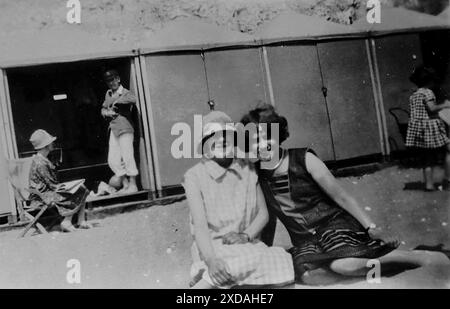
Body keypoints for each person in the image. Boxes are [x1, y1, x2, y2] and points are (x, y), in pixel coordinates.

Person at [240, 104, 450, 285]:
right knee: (309, 276)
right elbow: (270, 216)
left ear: (278, 135)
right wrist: (264, 249)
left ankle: (410, 257)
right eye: (255, 141)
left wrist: (371, 227)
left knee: (344, 265)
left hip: (332, 225)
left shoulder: (303, 159)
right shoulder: (259, 175)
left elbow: (341, 197)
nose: (262, 145)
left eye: (267, 137)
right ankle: (377, 267)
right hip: (305, 238)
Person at [183, 111, 294, 289]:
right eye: (212, 137)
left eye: (226, 136)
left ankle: (216, 282)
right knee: (234, 265)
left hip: (245, 244)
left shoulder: (248, 169)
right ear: (204, 145)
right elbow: (200, 228)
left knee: (280, 258)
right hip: (212, 248)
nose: (220, 141)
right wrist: (211, 261)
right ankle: (206, 283)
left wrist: (245, 235)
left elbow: (263, 214)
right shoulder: (195, 176)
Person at [28, 129, 91, 232]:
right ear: (45, 146)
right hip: (42, 197)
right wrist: (70, 187)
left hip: (46, 192)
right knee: (77, 190)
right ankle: (66, 222)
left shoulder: (43, 159)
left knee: (81, 188)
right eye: (50, 142)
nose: (52, 143)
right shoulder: (40, 163)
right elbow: (53, 185)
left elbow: (52, 183)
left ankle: (81, 220)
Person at [405, 66, 450, 191]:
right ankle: (448, 179)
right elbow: (432, 108)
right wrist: (445, 105)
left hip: (419, 129)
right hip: (430, 128)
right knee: (448, 148)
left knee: (427, 160)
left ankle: (429, 185)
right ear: (429, 81)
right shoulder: (428, 92)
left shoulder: (414, 95)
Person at [101, 69, 139, 194]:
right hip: (113, 129)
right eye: (108, 81)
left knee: (127, 156)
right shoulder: (108, 93)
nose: (111, 83)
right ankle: (125, 184)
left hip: (125, 127)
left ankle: (133, 185)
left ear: (118, 79)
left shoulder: (125, 92)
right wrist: (106, 112)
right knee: (112, 159)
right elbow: (103, 107)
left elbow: (133, 99)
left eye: (113, 79)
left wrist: (117, 102)